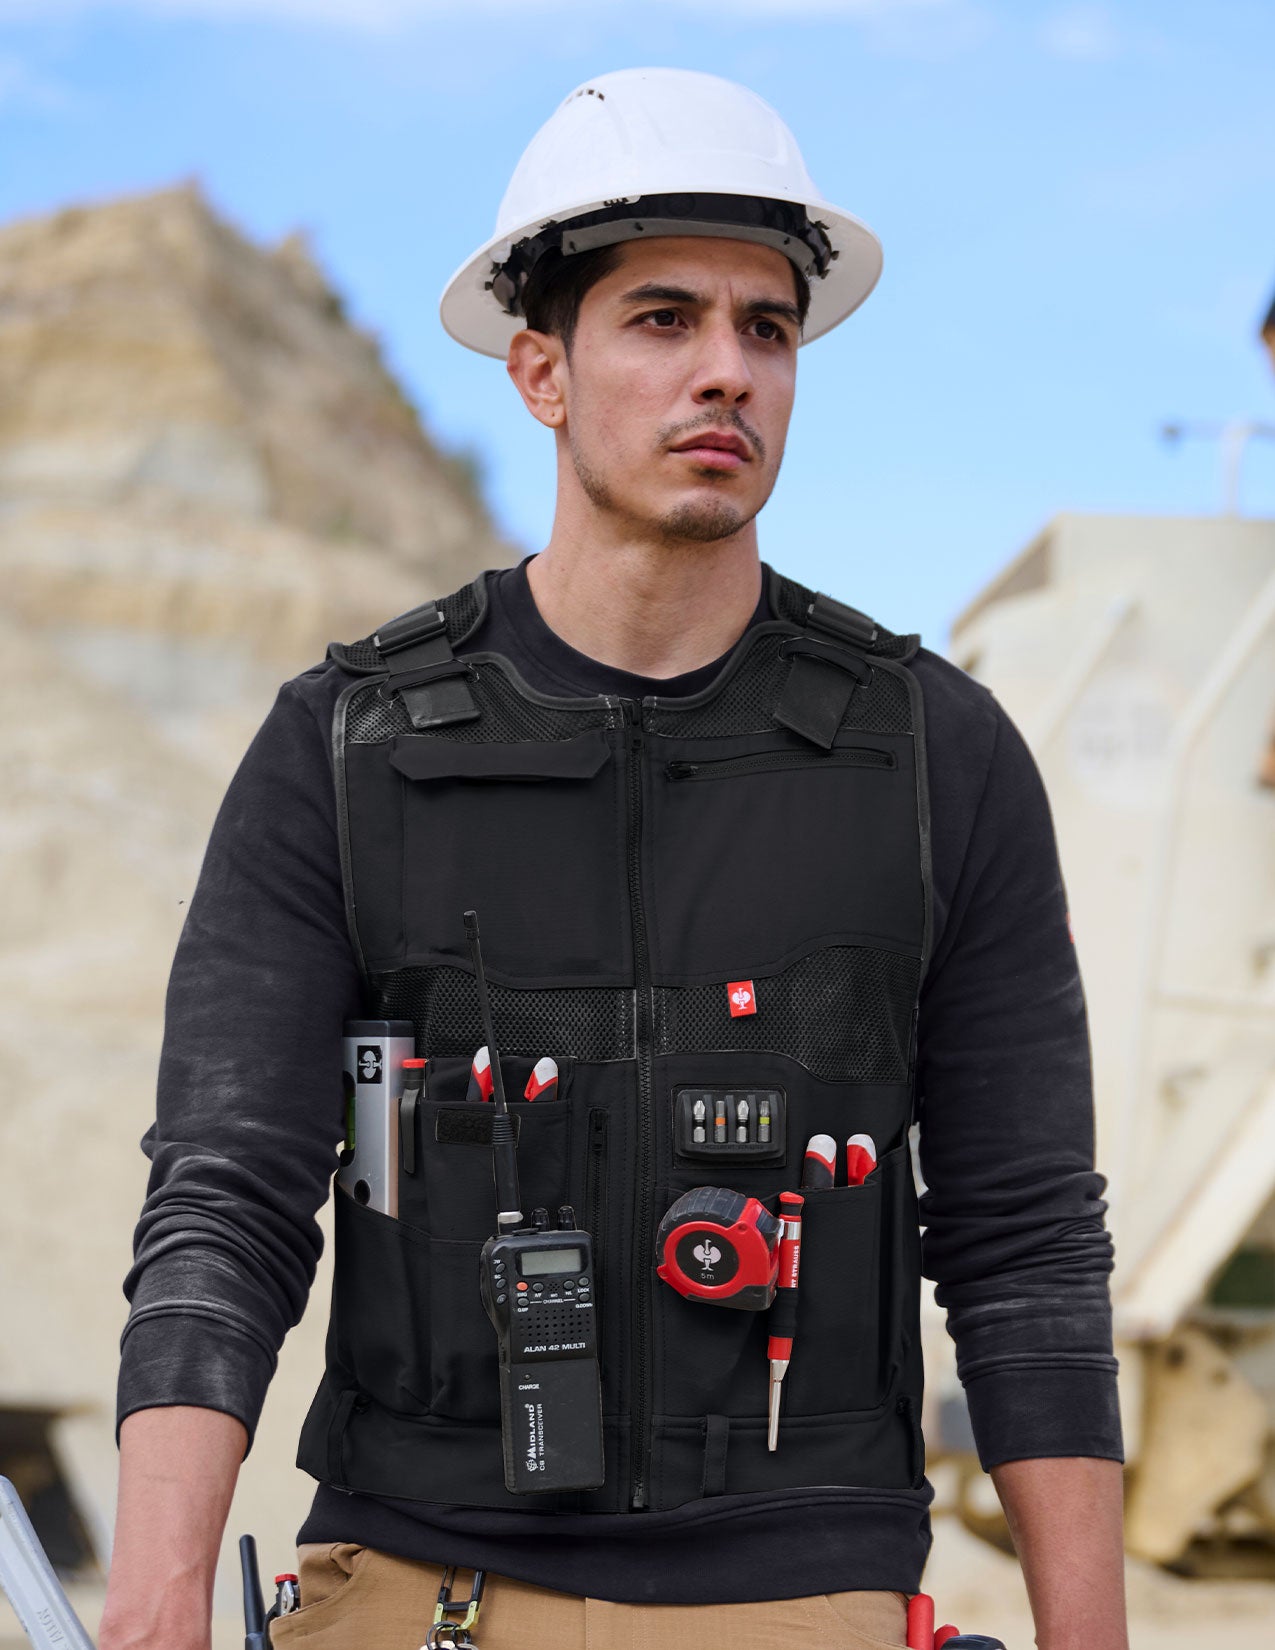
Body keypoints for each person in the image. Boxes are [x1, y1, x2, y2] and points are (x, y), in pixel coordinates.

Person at [98, 67, 1127, 1650]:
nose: (726, 372)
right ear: (541, 370)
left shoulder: (937, 757)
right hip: (413, 1585)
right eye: (661, 319)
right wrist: (159, 1600)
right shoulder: (345, 746)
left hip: (806, 1597)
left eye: (766, 329)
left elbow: (1023, 1236)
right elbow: (228, 1197)